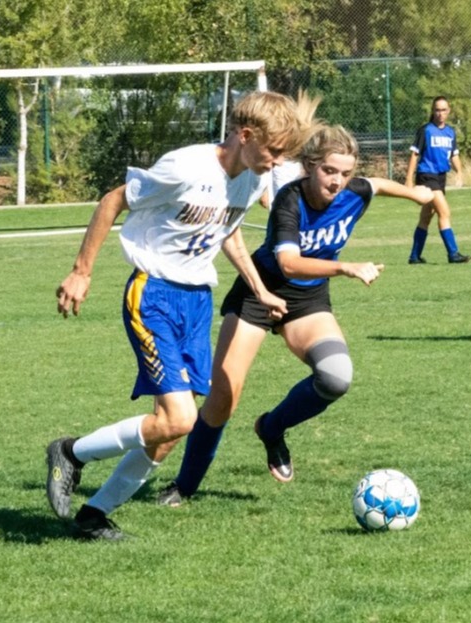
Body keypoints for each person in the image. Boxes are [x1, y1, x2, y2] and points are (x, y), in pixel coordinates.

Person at [45, 91, 320, 540]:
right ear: (244, 135)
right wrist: (81, 272)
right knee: (178, 419)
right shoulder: (186, 167)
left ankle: (94, 515)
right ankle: (71, 453)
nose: (274, 163)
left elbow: (226, 232)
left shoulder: (250, 178)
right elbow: (113, 200)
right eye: (272, 152)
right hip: (152, 294)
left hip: (196, 302)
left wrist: (259, 289)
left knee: (169, 432)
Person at [153, 124, 434, 507]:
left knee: (336, 378)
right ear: (309, 166)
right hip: (258, 294)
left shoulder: (355, 191)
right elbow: (287, 263)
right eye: (329, 171)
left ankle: (272, 428)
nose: (338, 182)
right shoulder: (290, 199)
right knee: (222, 400)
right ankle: (184, 487)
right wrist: (345, 267)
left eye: (345, 173)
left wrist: (415, 193)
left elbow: (377, 184)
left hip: (307, 302)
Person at [405, 96, 471, 265]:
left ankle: (414, 256)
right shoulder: (425, 130)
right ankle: (453, 253)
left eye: (443, 110)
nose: (440, 113)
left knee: (426, 217)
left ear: (448, 111)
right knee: (444, 212)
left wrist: (460, 173)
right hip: (427, 176)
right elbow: (414, 154)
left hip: (440, 177)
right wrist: (409, 179)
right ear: (432, 111)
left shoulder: (450, 132)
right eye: (437, 110)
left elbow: (454, 155)